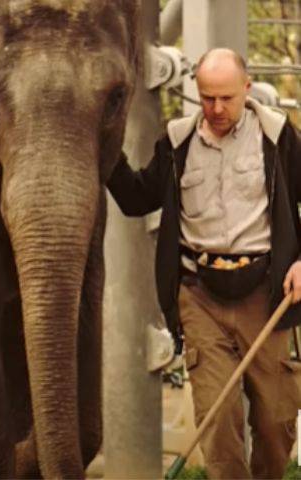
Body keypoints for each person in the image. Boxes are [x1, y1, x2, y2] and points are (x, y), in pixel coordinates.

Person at [108, 47, 301, 479]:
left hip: (265, 295)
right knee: (218, 420)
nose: (215, 108)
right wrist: (105, 148)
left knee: (275, 422)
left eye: (226, 98)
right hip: (200, 297)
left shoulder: (277, 136)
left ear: (246, 89)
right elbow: (137, 197)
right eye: (207, 97)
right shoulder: (176, 142)